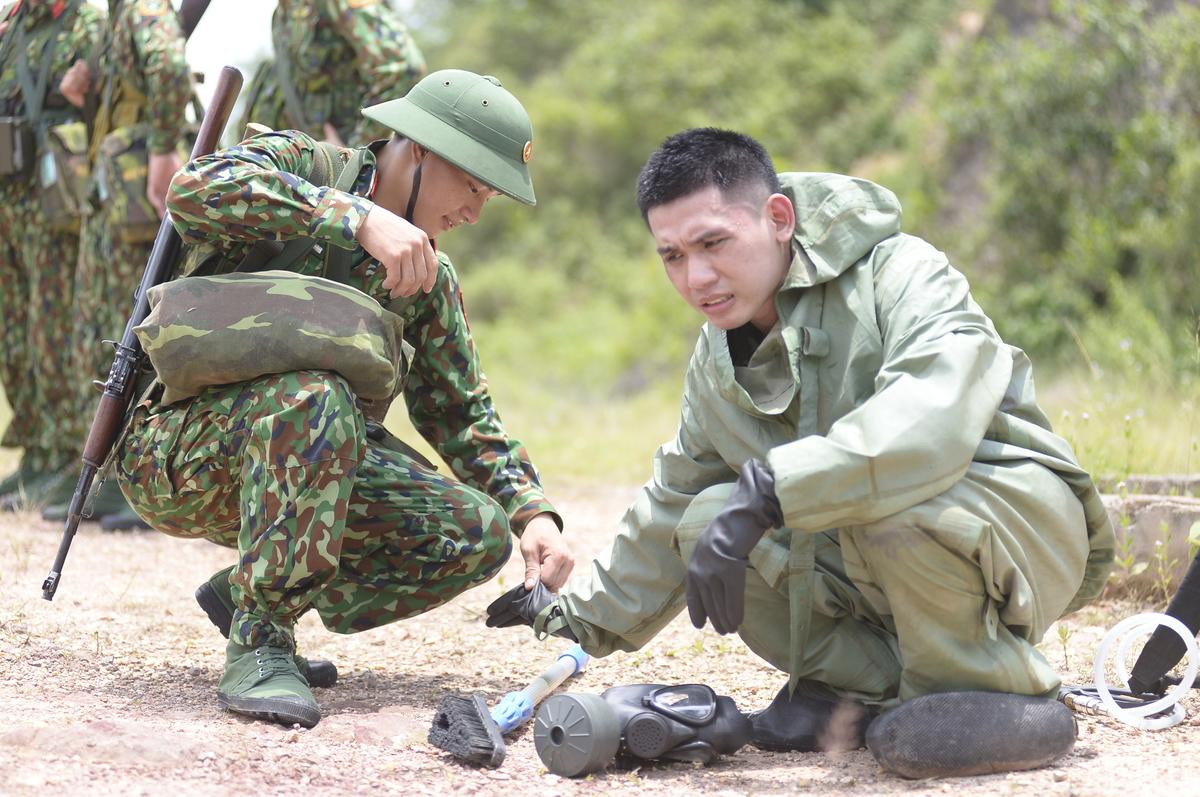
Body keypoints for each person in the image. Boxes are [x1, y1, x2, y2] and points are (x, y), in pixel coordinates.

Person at [487, 128, 1115, 779]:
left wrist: (771, 489)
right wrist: (566, 613)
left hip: (1017, 532)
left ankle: (997, 694)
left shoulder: (901, 273)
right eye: (671, 255)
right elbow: (668, 506)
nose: (695, 276)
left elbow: (935, 413)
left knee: (882, 494)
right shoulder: (716, 358)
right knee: (704, 518)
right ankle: (861, 691)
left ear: (778, 218)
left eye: (713, 242)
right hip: (884, 555)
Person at [115, 69, 574, 729]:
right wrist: (354, 218)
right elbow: (193, 190)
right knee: (317, 396)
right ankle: (261, 636)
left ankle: (249, 589)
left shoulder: (426, 276)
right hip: (175, 449)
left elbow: (462, 415)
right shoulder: (305, 165)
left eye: (489, 196)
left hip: (301, 461)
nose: (475, 211)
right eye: (472, 184)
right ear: (420, 148)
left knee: (474, 532)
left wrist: (534, 515)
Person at [39, 0, 194, 530]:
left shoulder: (143, 6)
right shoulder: (119, 13)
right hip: (115, 179)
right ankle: (106, 472)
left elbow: (170, 69)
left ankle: (133, 482)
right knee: (100, 327)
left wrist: (164, 149)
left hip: (136, 182)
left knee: (130, 334)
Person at [0, 0, 104, 510]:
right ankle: (37, 451)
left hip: (53, 195)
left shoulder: (88, 22)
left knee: (53, 326)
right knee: (12, 329)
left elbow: (108, 102)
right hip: (8, 194)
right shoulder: (13, 23)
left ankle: (68, 452)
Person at [239, 0, 425, 147]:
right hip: (301, 165)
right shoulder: (286, 10)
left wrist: (355, 153)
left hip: (337, 174)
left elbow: (401, 69)